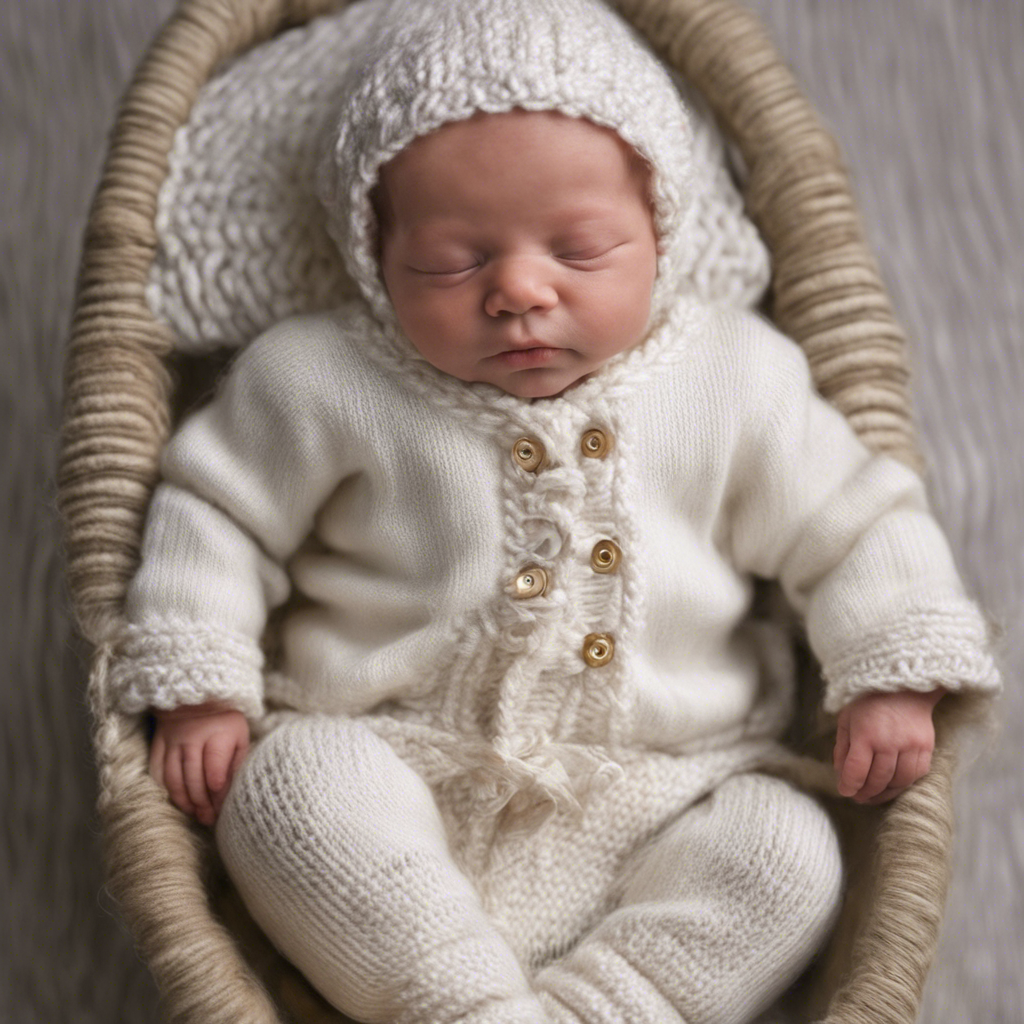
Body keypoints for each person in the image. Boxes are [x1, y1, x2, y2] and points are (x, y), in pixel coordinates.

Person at [110, 0, 1001, 1021]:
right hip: (396, 771)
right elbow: (216, 511)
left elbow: (852, 522)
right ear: (369, 248)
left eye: (579, 251)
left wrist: (890, 668)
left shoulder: (732, 377)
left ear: (662, 229)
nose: (519, 290)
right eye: (451, 262)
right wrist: (200, 680)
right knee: (282, 798)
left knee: (784, 851)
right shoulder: (318, 377)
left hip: (659, 795)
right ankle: (453, 1001)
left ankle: (603, 1008)